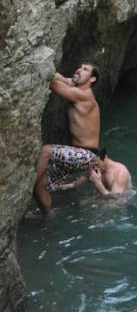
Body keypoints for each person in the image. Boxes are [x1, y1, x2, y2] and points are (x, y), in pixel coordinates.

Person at [33, 62, 101, 215]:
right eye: (80, 67)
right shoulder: (79, 91)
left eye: (85, 70)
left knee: (46, 151)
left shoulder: (84, 96)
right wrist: (68, 79)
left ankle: (25, 186)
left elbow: (51, 82)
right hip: (76, 156)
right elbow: (59, 78)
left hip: (85, 155)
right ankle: (47, 216)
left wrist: (64, 79)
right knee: (40, 185)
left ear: (92, 80)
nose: (79, 69)